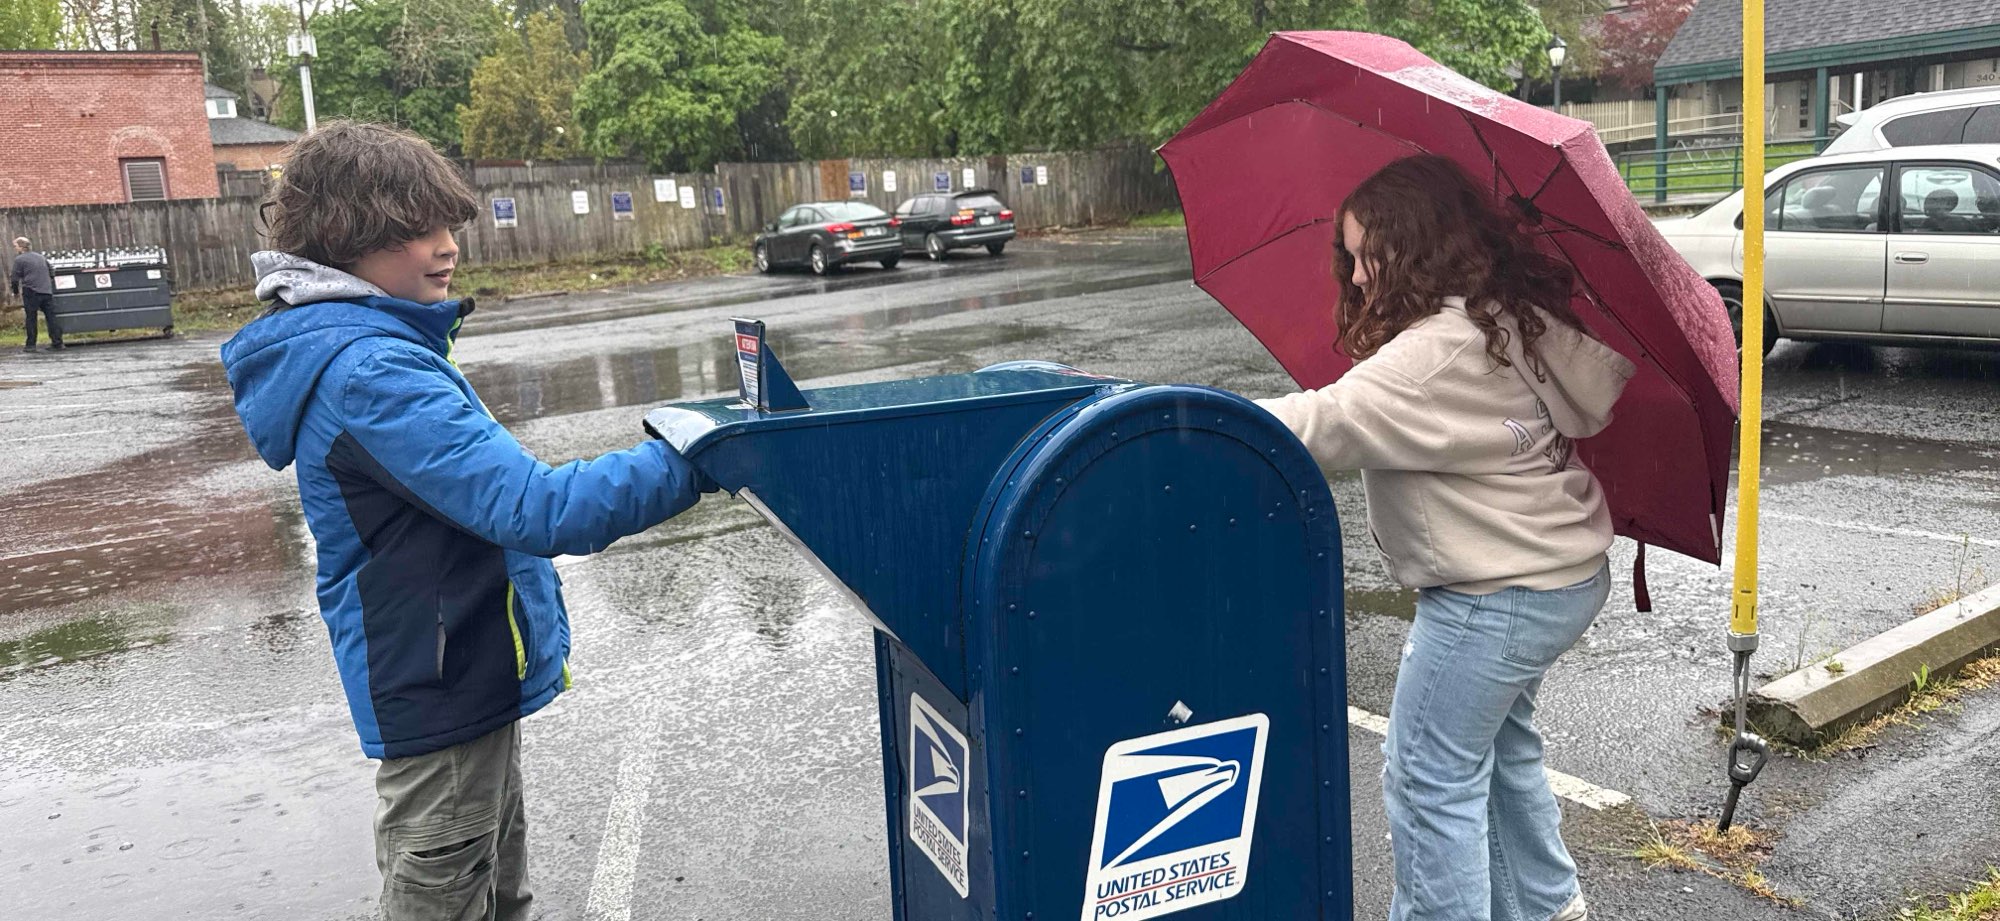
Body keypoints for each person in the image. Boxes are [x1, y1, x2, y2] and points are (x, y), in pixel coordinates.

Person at [219, 121, 713, 921]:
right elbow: (536, 506)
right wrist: (701, 455)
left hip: (459, 667)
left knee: (497, 890)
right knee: (447, 898)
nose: (447, 247)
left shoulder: (378, 343)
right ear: (349, 238)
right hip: (437, 685)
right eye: (417, 230)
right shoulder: (372, 371)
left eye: (449, 224)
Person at [1255, 155, 1635, 921]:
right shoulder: (1500, 315)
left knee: (1429, 773)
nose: (1358, 277)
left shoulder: (1435, 349)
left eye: (1367, 255)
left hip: (1495, 595)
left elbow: (1318, 425)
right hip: (1559, 572)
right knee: (1496, 752)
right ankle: (1547, 906)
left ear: (1414, 247)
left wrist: (1172, 417)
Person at [11, 236, 62, 352]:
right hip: (46, 290)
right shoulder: (41, 257)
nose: (15, 248)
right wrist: (47, 282)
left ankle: (31, 344)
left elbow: (14, 278)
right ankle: (57, 342)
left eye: (15, 246)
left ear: (21, 247)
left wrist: (15, 292)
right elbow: (52, 271)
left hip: (31, 290)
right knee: (51, 317)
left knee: (31, 318)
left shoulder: (20, 260)